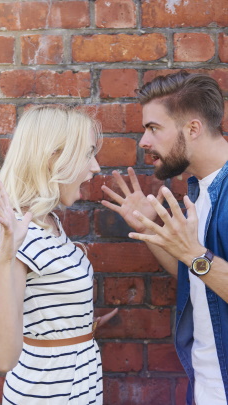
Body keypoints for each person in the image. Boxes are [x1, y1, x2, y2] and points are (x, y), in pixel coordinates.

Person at [0, 105, 117, 405]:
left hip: (70, 384)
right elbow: (2, 358)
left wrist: (72, 320)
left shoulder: (47, 223)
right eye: (87, 153)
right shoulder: (17, 235)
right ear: (53, 158)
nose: (95, 166)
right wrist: (5, 259)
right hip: (48, 393)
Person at [101, 71, 228, 405]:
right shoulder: (198, 193)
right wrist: (147, 228)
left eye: (153, 128)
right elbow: (199, 276)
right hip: (203, 384)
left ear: (193, 129)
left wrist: (196, 255)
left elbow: (200, 263)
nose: (143, 141)